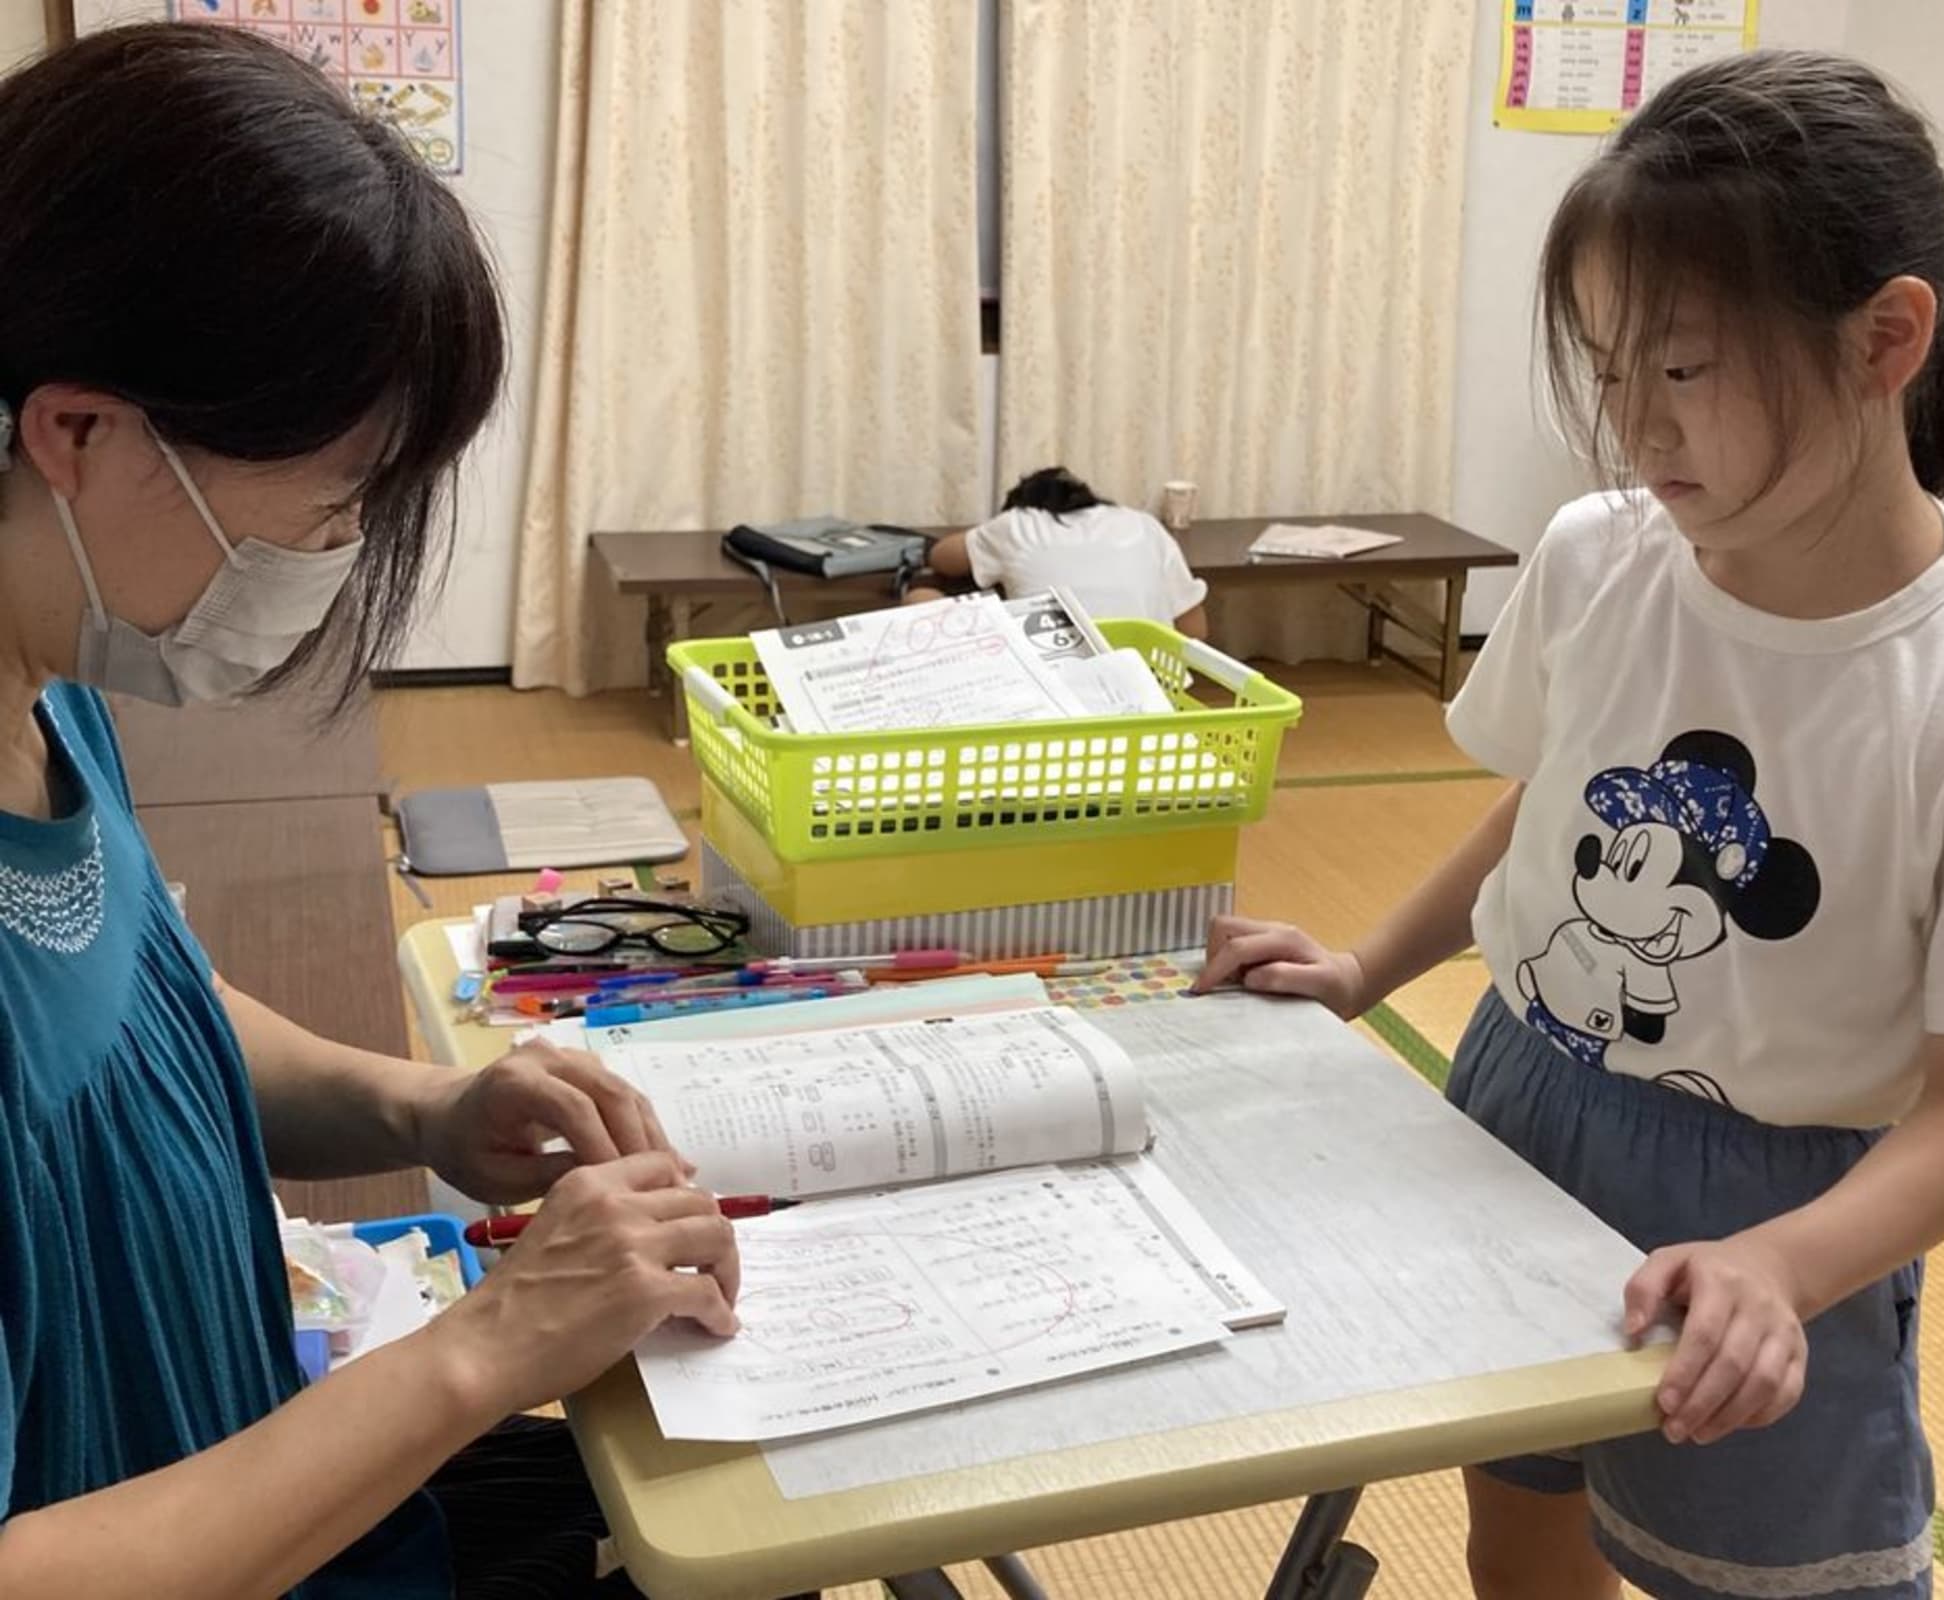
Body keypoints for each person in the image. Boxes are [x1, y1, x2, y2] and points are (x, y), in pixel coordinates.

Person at [1199, 50, 1944, 1600]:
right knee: (1521, 1511)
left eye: (1683, 370)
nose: (1633, 429)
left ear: (1885, 339)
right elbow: (1544, 813)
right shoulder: (1597, 557)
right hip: (1519, 1092)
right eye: (1606, 366)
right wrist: (1364, 970)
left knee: (1771, 1571)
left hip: (1786, 1204)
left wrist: (1783, 1261)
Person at [0, 26, 743, 1600]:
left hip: (265, 1481)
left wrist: (422, 1111)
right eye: (337, 499)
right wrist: (487, 1349)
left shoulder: (48, 692)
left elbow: (128, 1022)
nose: (342, 548)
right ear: (79, 432)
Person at [912, 466, 1211, 636]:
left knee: (919, 596)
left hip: (1052, 690)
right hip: (1152, 685)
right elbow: (1194, 629)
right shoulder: (1143, 524)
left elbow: (942, 557)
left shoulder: (1019, 522)